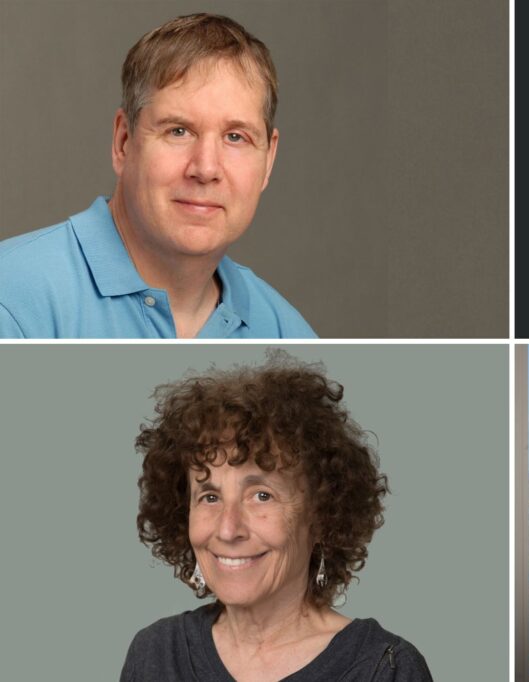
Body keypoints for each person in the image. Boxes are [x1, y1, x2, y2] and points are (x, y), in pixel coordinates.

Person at [0, 14, 315, 338]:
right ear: (124, 142)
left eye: (236, 137)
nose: (205, 169)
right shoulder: (12, 301)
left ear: (269, 160)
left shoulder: (285, 336)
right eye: (178, 131)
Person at [120, 353, 432, 681]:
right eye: (210, 497)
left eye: (261, 496)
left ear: (322, 515)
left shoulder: (382, 669)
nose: (228, 529)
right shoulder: (154, 654)